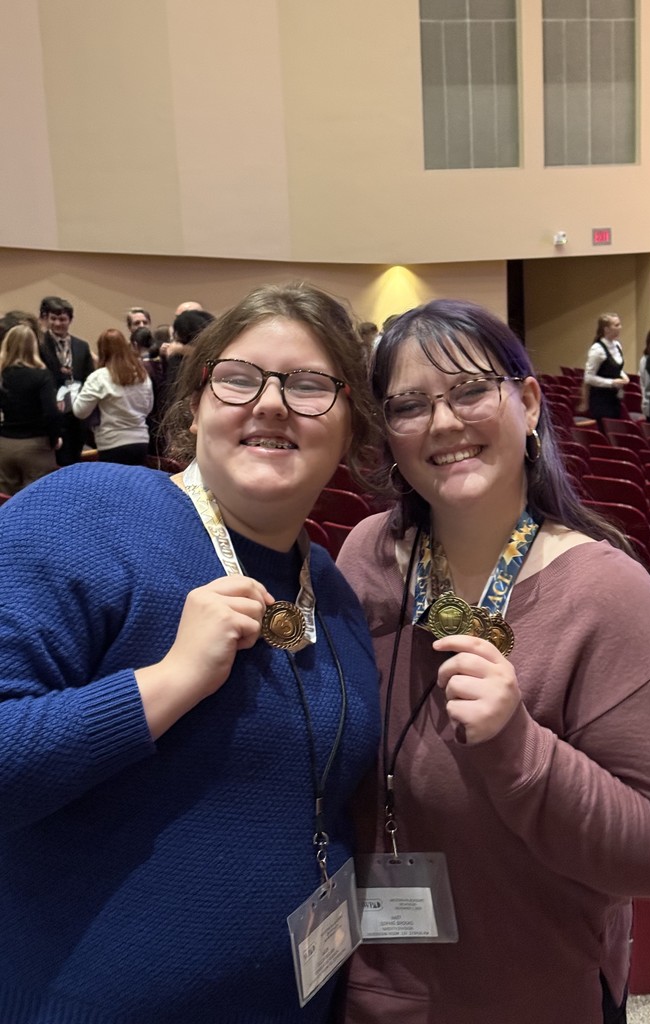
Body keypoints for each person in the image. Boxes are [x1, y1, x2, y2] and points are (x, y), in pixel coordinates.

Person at [0, 283, 381, 1022]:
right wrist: (166, 683)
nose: (271, 403)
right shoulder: (84, 511)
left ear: (351, 429)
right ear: (196, 403)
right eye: (239, 378)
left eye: (309, 386)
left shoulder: (331, 589)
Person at [336, 300, 650, 1024]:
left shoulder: (610, 596)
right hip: (371, 987)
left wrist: (519, 747)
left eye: (470, 391)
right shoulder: (366, 554)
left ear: (529, 403)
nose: (444, 423)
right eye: (410, 405)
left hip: (534, 995)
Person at [72, 327, 155, 465]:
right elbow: (148, 408)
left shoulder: (99, 377)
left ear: (102, 350)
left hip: (111, 443)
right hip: (140, 441)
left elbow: (80, 411)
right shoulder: (142, 374)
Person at [0, 324, 61, 494]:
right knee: (38, 500)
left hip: (4, 446)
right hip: (35, 446)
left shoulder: (2, 375)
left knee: (5, 502)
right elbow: (51, 413)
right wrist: (54, 439)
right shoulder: (41, 376)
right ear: (33, 346)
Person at [38, 295, 95, 465]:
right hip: (53, 411)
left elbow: (89, 378)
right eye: (53, 319)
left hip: (77, 412)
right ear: (47, 319)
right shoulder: (40, 344)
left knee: (76, 459)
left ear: (70, 320)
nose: (57, 323)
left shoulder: (81, 346)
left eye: (62, 319)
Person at [584, 312, 630, 423]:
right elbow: (588, 378)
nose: (620, 327)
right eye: (616, 325)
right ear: (606, 329)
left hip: (614, 398)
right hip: (601, 400)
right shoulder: (597, 349)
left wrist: (624, 376)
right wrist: (611, 383)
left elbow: (615, 368)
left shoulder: (617, 345)